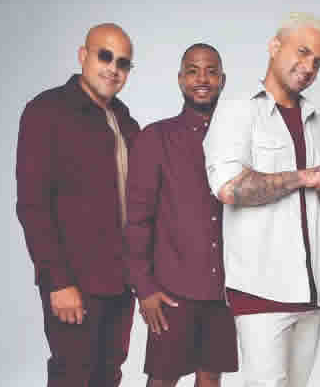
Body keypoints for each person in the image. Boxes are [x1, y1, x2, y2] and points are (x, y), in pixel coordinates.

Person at [203, 13, 320, 387]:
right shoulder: (237, 111)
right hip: (260, 289)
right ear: (275, 46)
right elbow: (229, 189)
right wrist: (303, 177)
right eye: (302, 52)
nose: (309, 67)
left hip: (311, 291)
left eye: (317, 61)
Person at [16, 23, 140, 387]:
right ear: (83, 55)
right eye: (105, 56)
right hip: (74, 281)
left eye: (123, 63)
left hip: (121, 282)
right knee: (73, 375)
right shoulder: (48, 111)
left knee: (109, 374)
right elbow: (33, 205)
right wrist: (58, 281)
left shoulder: (124, 120)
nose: (113, 68)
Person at [123, 43, 238, 387]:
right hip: (171, 290)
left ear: (222, 80)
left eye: (211, 72)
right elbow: (137, 220)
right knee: (162, 379)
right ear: (180, 79)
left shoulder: (237, 139)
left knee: (210, 378)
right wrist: (144, 288)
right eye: (193, 71)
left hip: (223, 291)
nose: (202, 79)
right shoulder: (155, 138)